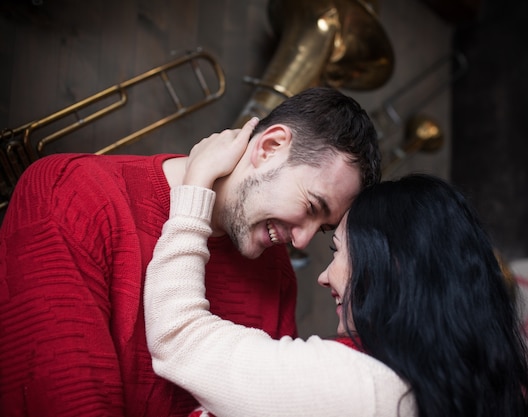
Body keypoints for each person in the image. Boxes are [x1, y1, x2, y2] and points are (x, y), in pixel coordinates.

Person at [0, 87, 381, 416]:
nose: (301, 241)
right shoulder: (70, 194)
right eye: (312, 207)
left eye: (321, 229)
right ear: (271, 147)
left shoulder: (276, 272)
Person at [143, 127, 528, 417]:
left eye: (337, 250)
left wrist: (196, 183)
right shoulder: (452, 383)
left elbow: (178, 336)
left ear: (391, 265)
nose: (323, 275)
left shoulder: (365, 389)